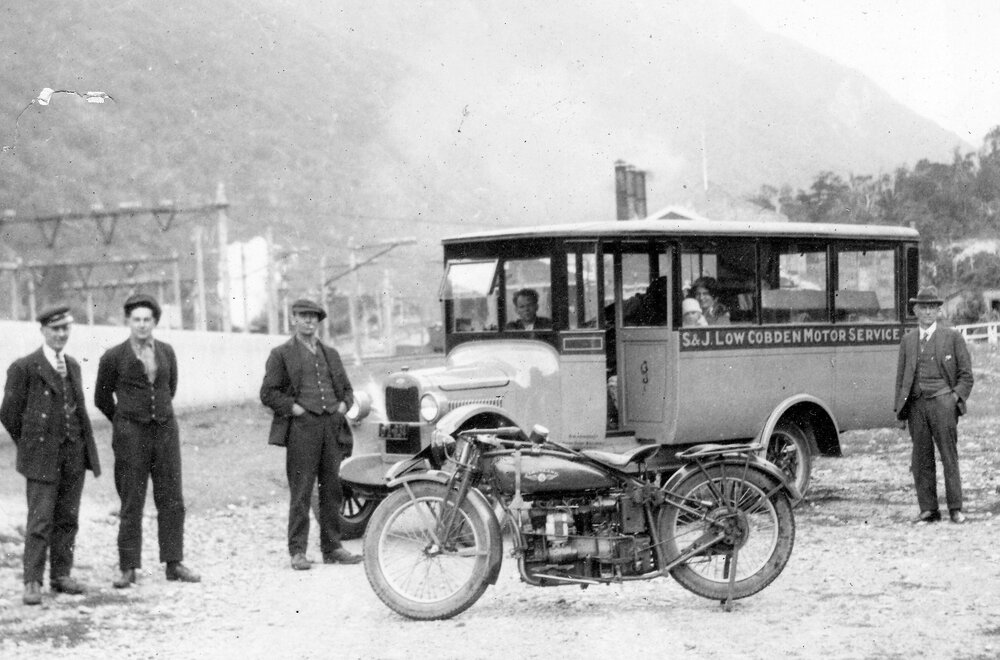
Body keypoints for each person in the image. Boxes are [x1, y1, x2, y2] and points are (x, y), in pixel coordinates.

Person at [94, 294, 200, 587]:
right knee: (132, 500)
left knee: (172, 498)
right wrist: (124, 421)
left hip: (165, 432)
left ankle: (174, 563)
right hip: (131, 436)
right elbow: (101, 398)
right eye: (136, 319)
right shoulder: (113, 356)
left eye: (147, 320)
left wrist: (157, 414)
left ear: (154, 322)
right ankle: (128, 567)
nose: (142, 325)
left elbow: (170, 388)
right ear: (128, 321)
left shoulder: (166, 351)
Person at [1, 306, 101, 605]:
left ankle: (61, 575)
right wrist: (31, 445)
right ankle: (32, 581)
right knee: (40, 520)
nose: (61, 334)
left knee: (68, 517)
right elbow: (9, 414)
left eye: (65, 328)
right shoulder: (25, 367)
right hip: (41, 458)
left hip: (73, 454)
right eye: (55, 329)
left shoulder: (72, 365)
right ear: (43, 330)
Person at [260, 298, 362, 569]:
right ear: (293, 319)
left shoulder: (331, 354)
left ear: (318, 321)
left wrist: (343, 407)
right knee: (301, 491)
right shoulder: (281, 354)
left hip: (331, 427)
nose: (309, 320)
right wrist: (294, 409)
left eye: (314, 316)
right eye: (303, 316)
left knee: (332, 489)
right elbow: (268, 393)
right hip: (302, 430)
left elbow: (348, 391)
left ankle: (333, 548)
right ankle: (297, 552)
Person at [893, 286, 974, 525]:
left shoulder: (952, 337)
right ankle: (928, 509)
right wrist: (900, 410)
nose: (928, 312)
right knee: (921, 458)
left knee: (949, 456)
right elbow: (901, 378)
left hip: (943, 404)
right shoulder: (908, 341)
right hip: (916, 405)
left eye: (932, 307)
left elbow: (966, 376)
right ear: (915, 311)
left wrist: (954, 398)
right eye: (923, 307)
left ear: (939, 310)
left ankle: (955, 509)